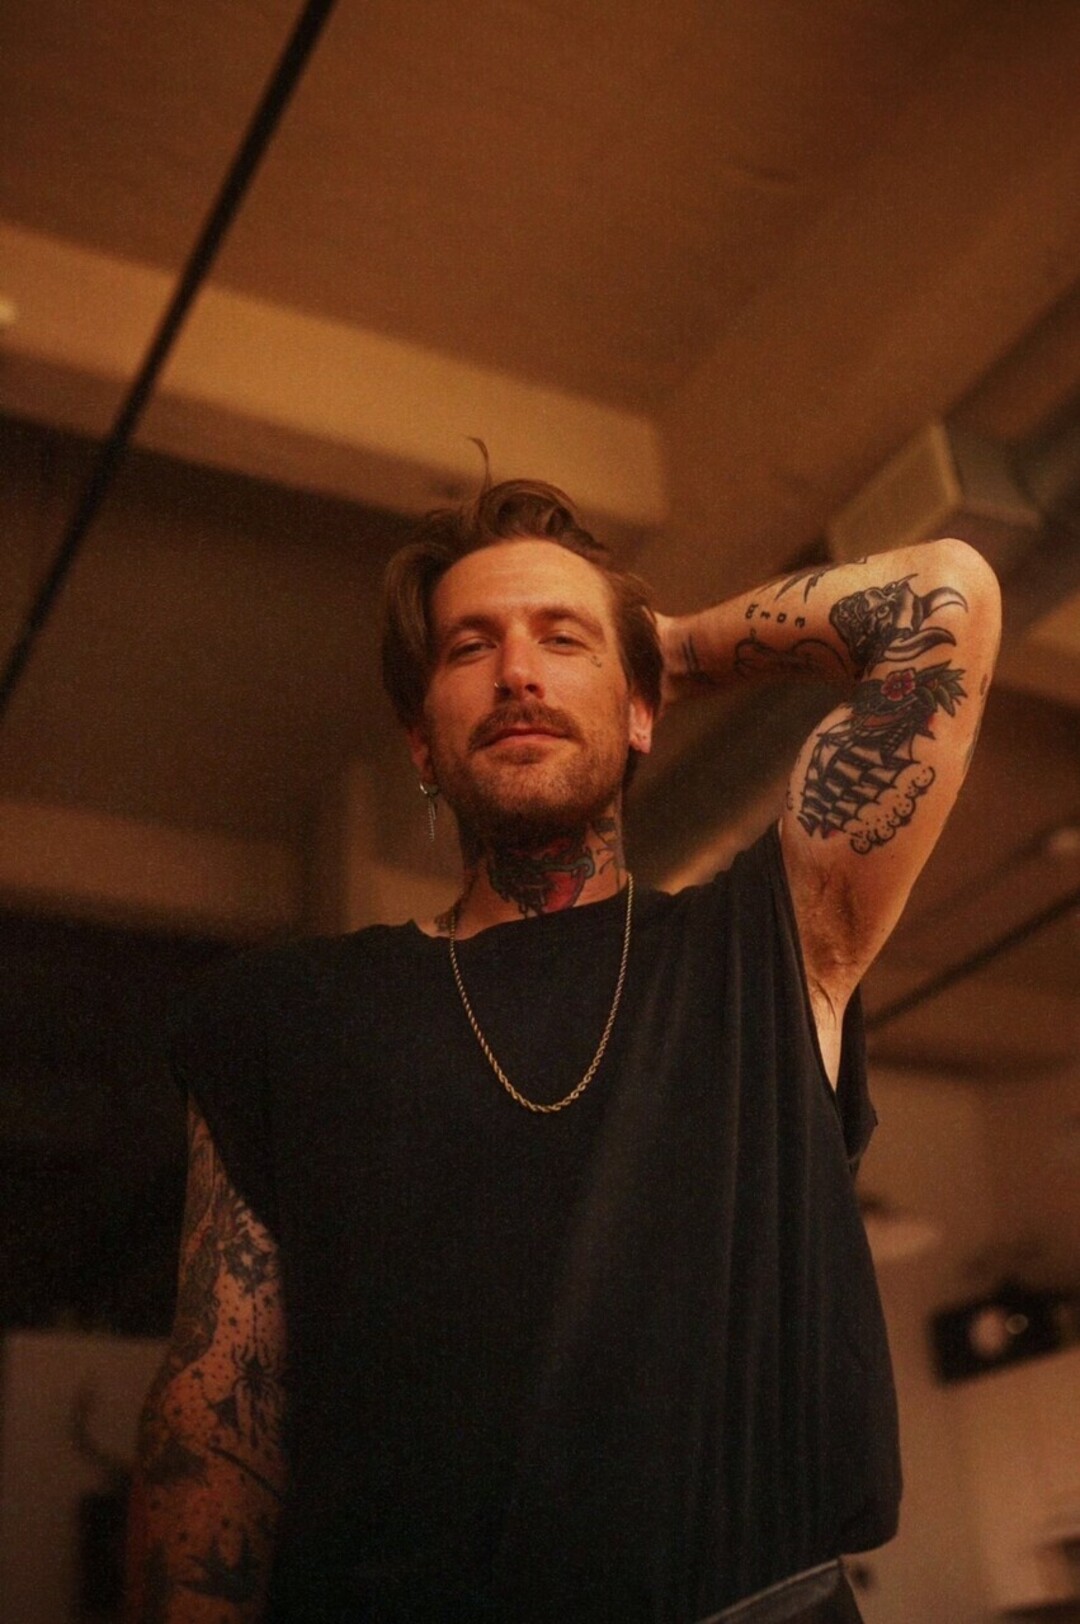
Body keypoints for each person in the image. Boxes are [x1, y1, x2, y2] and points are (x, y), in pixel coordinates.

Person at [128, 476, 1001, 1623]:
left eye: (562, 638)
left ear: (640, 711)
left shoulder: (769, 943)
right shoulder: (285, 1014)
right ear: (420, 742)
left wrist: (669, 648)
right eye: (470, 648)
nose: (518, 673)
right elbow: (213, 1420)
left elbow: (947, 594)